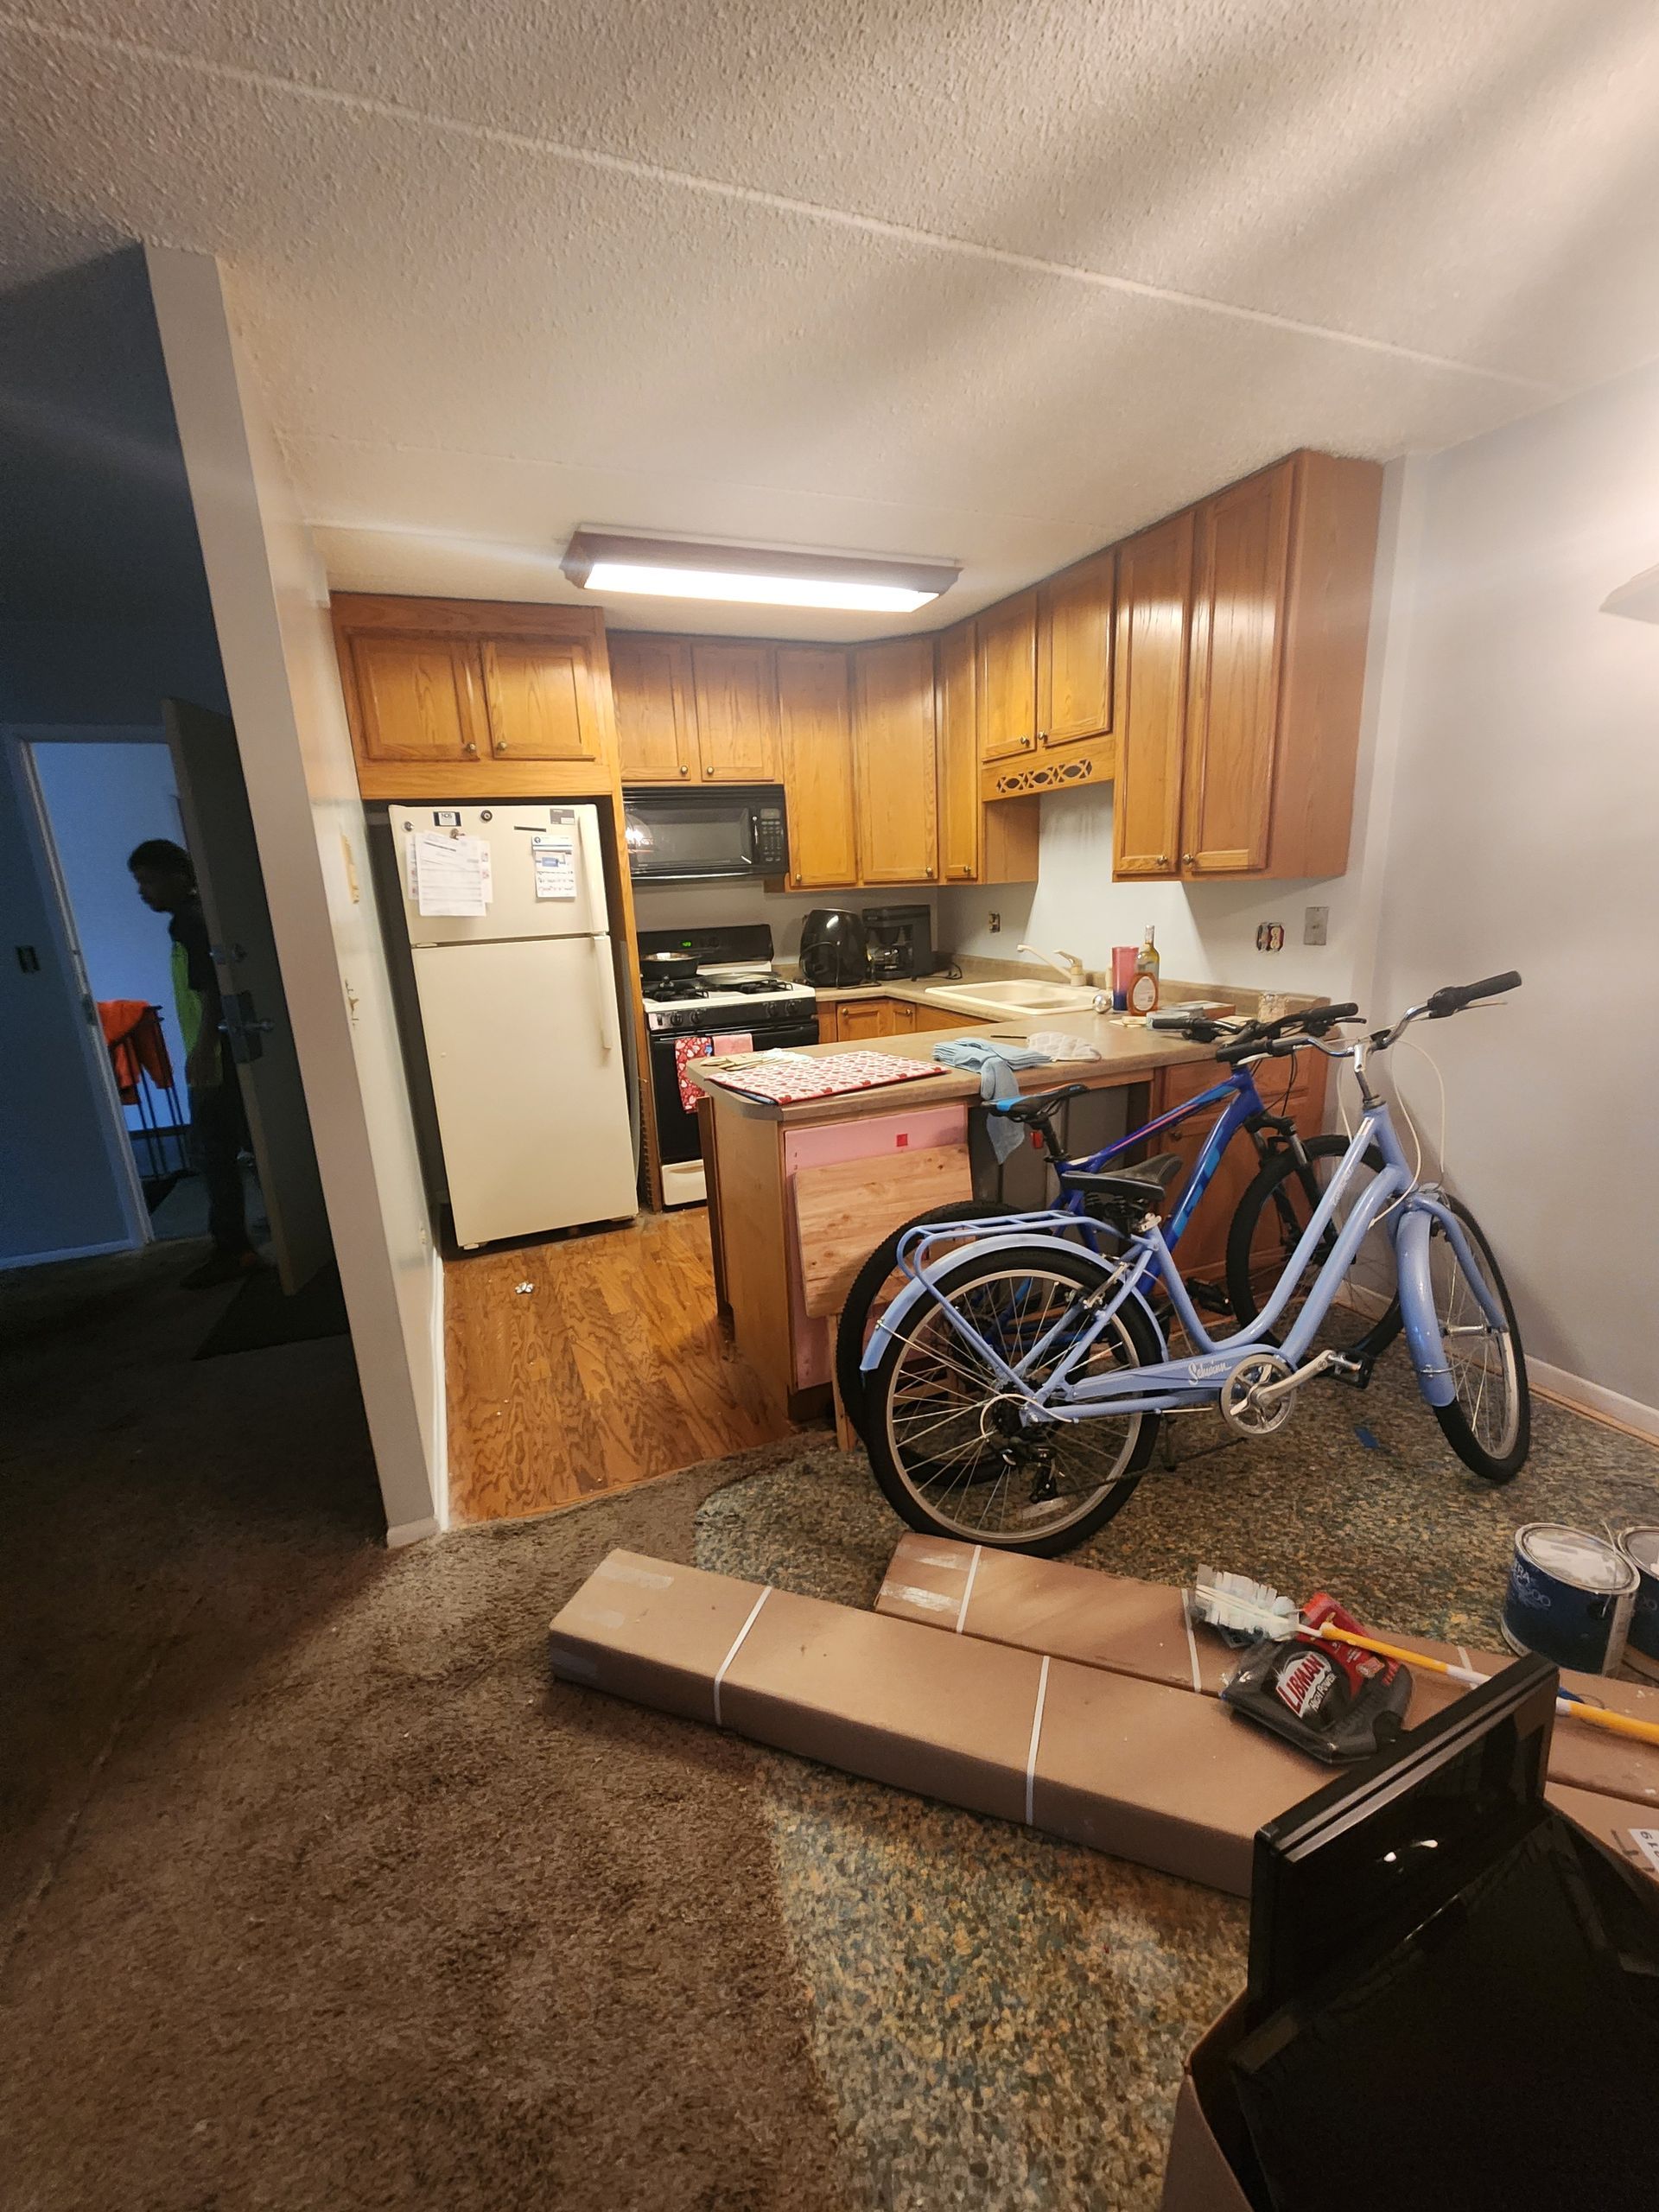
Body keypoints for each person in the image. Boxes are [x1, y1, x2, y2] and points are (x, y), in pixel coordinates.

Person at [128, 838, 262, 1288]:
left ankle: (233, 1250)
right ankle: (263, 1232)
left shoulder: (190, 922)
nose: (143, 892)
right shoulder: (192, 920)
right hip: (216, 1053)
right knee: (243, 1144)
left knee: (211, 1152)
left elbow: (211, 990)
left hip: (216, 1058)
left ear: (178, 876)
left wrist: (204, 1049)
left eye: (148, 880)